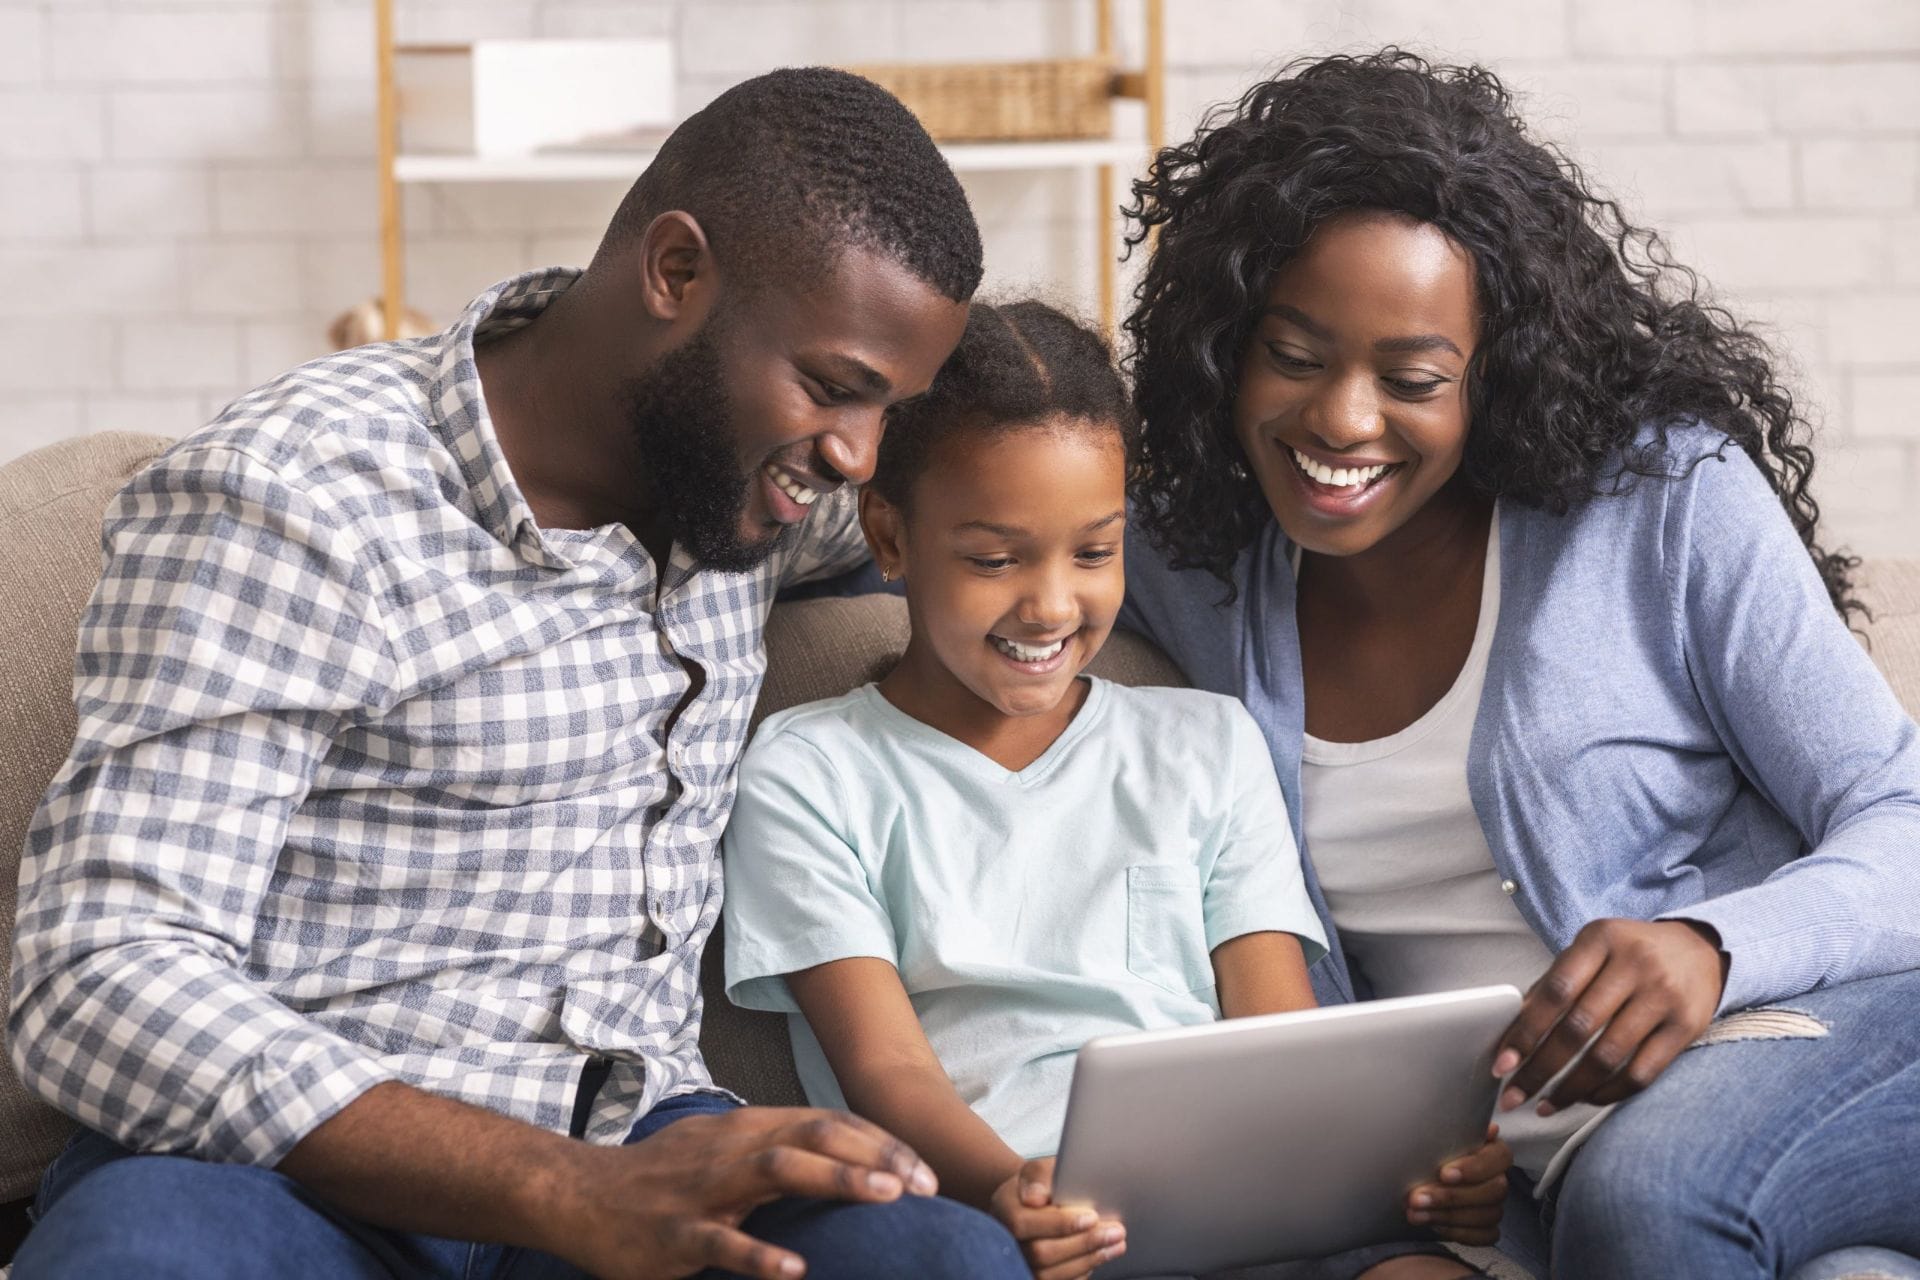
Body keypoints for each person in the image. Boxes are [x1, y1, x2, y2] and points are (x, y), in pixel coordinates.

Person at [8, 68, 1031, 1280]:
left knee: (939, 1258)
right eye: (832, 386)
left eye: (889, 410)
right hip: (291, 1175)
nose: (859, 455)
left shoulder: (762, 485)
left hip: (640, 1139)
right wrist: (560, 1185)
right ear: (675, 272)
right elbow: (97, 974)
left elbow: (1036, 505)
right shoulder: (296, 492)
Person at [1116, 50, 1920, 1279]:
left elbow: (1901, 812)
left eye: (1412, 379)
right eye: (1295, 355)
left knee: (1650, 1195)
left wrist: (1710, 945)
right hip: (1513, 1180)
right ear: (1227, 344)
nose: (1341, 419)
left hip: (1795, 1032)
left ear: (1492, 377)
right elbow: (944, 523)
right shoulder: (1186, 556)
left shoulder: (1661, 499)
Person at [721, 300, 1514, 1280]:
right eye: (994, 559)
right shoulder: (810, 771)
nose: (1052, 605)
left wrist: (1405, 1171)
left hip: (1243, 1201)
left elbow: (1280, 1034)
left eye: (1094, 551)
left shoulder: (1207, 742)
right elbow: (884, 1069)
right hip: (1007, 1219)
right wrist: (1010, 1192)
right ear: (889, 535)